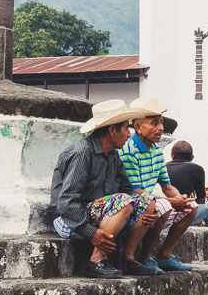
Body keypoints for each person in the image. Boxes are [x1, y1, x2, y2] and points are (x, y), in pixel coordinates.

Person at [50, 99, 153, 279]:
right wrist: (90, 232)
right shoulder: (83, 152)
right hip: (69, 218)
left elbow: (128, 189)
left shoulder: (112, 155)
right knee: (123, 201)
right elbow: (67, 202)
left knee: (146, 201)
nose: (129, 135)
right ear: (112, 130)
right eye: (125, 129)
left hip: (98, 212)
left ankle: (129, 258)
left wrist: (148, 211)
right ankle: (96, 260)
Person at [119, 98, 199, 274]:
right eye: (154, 123)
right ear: (138, 128)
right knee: (162, 205)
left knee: (191, 207)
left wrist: (180, 198)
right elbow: (134, 190)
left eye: (161, 122)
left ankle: (164, 255)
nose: (161, 128)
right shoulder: (128, 151)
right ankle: (146, 256)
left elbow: (166, 185)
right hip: (134, 203)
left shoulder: (156, 150)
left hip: (148, 201)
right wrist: (171, 201)